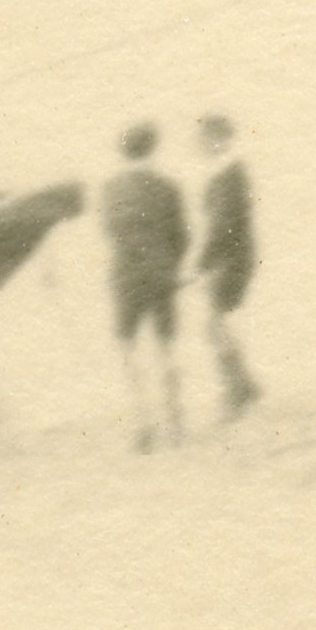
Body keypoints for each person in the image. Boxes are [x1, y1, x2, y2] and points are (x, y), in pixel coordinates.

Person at [96, 122, 192, 448]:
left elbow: (108, 231)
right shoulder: (169, 188)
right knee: (166, 345)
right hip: (162, 273)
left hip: (126, 274)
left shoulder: (110, 189)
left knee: (128, 347)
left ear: (123, 151)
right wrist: (171, 264)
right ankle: (175, 422)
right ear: (153, 148)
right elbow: (183, 236)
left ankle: (143, 423)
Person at [191, 114, 264, 423]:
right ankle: (244, 386)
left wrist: (201, 262)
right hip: (230, 256)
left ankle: (237, 391)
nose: (199, 144)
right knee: (217, 325)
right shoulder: (226, 173)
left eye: (205, 138)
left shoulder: (230, 174)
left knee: (215, 325)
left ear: (219, 139)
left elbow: (222, 226)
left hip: (231, 257)